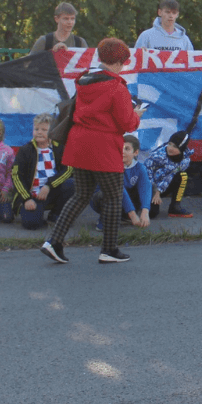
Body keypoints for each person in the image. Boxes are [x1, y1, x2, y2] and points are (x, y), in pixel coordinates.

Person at [40, 37, 144, 265]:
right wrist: (137, 115)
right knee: (114, 197)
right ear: (119, 62)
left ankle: (53, 241)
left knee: (80, 195)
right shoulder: (117, 87)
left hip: (79, 145)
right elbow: (127, 123)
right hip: (103, 148)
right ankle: (109, 249)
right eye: (124, 62)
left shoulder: (84, 80)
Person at [10, 113, 74, 229]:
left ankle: (55, 215)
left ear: (53, 131)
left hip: (51, 191)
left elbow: (68, 170)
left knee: (71, 184)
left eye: (44, 129)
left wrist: (49, 186)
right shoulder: (25, 150)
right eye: (36, 129)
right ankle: (34, 213)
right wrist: (27, 198)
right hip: (32, 195)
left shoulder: (59, 148)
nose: (39, 132)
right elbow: (16, 176)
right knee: (31, 224)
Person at [91, 135, 151, 231]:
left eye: (127, 149)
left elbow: (145, 188)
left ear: (135, 152)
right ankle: (104, 220)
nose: (122, 152)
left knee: (150, 188)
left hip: (123, 199)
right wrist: (133, 214)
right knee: (111, 192)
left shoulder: (139, 167)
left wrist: (145, 211)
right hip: (101, 198)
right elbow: (119, 189)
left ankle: (123, 217)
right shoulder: (110, 165)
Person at [145, 131, 193, 217]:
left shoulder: (185, 160)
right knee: (152, 214)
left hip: (162, 187)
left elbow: (169, 176)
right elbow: (146, 175)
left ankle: (175, 207)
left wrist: (159, 192)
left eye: (175, 146)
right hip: (149, 187)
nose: (170, 148)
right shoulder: (157, 156)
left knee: (182, 176)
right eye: (169, 144)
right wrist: (155, 191)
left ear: (181, 149)